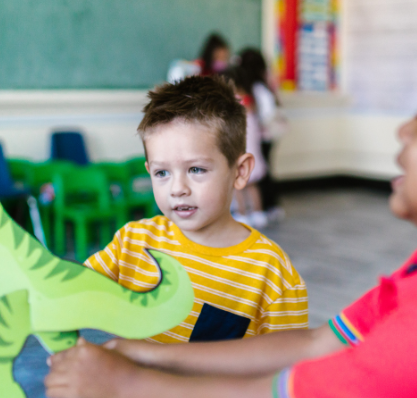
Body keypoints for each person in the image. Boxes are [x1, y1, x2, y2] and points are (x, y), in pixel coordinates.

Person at [45, 0, 417, 398]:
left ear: (239, 171)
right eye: (162, 172)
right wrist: (149, 356)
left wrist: (123, 383)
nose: (402, 130)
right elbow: (314, 342)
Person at [84, 75, 308, 343]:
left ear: (240, 171)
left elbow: (287, 368)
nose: (177, 188)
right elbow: (72, 294)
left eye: (196, 169)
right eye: (162, 172)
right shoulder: (132, 244)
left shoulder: (270, 272)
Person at [238, 48, 287, 223]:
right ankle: (267, 207)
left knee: (261, 174)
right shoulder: (262, 83)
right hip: (267, 135)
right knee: (264, 172)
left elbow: (266, 112)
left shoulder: (256, 86)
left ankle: (266, 208)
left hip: (263, 135)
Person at [224, 67, 268, 230]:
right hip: (253, 149)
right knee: (253, 184)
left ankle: (242, 215)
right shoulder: (250, 98)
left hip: (240, 148)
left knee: (238, 184)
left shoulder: (232, 102)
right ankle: (259, 213)